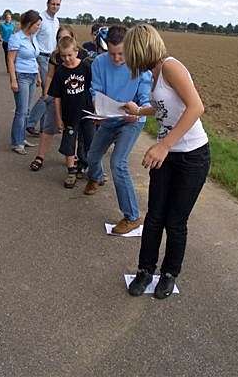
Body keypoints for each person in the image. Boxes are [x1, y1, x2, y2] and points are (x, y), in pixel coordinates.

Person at [123, 24, 210, 299]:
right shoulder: (155, 73)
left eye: (130, 52)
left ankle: (169, 274)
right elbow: (165, 108)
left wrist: (163, 145)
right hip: (168, 154)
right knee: (155, 217)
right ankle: (145, 271)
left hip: (192, 156)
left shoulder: (171, 66)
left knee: (175, 221)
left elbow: (196, 107)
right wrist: (140, 111)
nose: (128, 58)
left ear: (140, 48)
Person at [83, 25, 152, 234]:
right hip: (109, 117)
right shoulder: (98, 62)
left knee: (118, 163)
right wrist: (98, 105)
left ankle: (132, 216)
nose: (116, 59)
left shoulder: (141, 68)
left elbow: (146, 100)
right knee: (92, 156)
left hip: (132, 120)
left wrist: (138, 112)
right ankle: (96, 177)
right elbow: (95, 89)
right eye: (112, 53)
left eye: (121, 54)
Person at [29, 25, 88, 174]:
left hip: (77, 99)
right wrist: (47, 94)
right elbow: (50, 74)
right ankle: (40, 156)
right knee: (49, 126)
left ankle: (76, 160)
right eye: (60, 38)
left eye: (66, 37)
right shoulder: (55, 55)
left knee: (77, 130)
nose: (63, 40)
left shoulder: (83, 54)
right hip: (58, 93)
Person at [48, 36, 94, 188]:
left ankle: (93, 170)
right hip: (69, 115)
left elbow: (94, 90)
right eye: (63, 56)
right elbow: (57, 97)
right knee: (69, 144)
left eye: (70, 55)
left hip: (87, 113)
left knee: (90, 142)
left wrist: (98, 112)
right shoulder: (60, 71)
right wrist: (59, 118)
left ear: (76, 51)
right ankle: (71, 171)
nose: (66, 59)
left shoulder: (86, 67)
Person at [26, 0, 62, 136]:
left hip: (52, 59)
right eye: (53, 4)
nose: (55, 6)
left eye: (58, 4)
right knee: (48, 93)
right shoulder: (40, 19)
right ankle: (31, 122)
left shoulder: (56, 21)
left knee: (48, 94)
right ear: (47, 4)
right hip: (41, 57)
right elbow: (32, 38)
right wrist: (34, 60)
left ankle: (43, 128)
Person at [7, 10, 42, 155]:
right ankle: (17, 142)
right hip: (21, 76)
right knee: (21, 111)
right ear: (29, 24)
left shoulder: (33, 38)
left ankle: (22, 139)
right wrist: (13, 80)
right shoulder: (16, 38)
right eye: (37, 25)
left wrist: (38, 76)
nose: (38, 27)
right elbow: (10, 59)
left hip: (33, 75)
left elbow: (34, 58)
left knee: (27, 110)